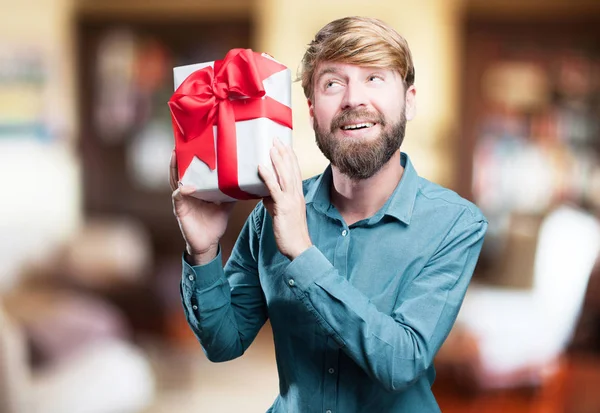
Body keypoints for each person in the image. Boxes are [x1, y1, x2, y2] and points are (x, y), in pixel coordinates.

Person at [170, 16, 488, 413]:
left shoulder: (455, 224)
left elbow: (402, 363)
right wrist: (202, 252)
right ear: (310, 111)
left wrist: (303, 255)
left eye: (374, 78)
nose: (353, 99)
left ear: (408, 100)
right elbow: (223, 344)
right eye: (333, 83)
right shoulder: (269, 212)